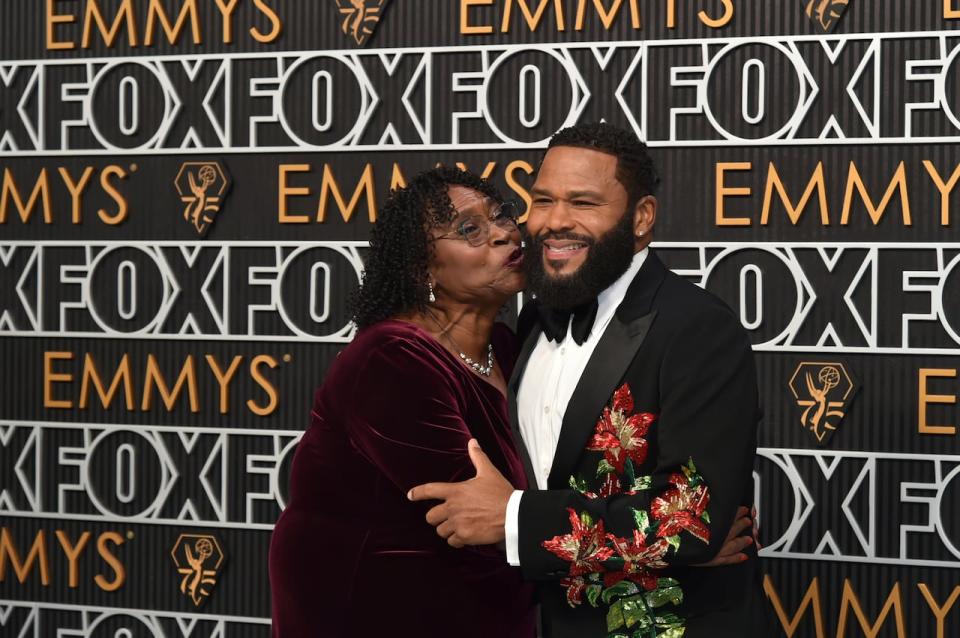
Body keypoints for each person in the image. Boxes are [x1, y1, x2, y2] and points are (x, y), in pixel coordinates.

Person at [409, 122, 771, 637]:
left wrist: (514, 519)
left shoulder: (697, 329)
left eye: (583, 203)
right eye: (542, 199)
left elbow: (691, 523)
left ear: (641, 218)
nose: (555, 221)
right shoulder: (531, 323)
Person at [268, 167, 536, 637]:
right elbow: (476, 519)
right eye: (469, 229)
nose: (503, 234)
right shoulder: (392, 360)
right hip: (377, 611)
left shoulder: (509, 349)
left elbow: (511, 512)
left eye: (500, 216)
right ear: (423, 268)